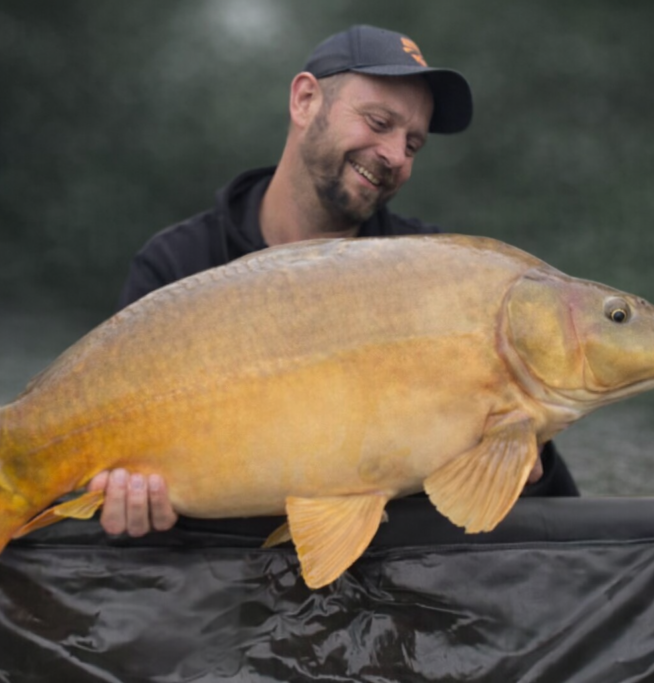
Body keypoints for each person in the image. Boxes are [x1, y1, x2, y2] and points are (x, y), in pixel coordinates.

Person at [89, 24, 579, 538]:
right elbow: (97, 461)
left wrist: (524, 471)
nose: (395, 155)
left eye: (413, 143)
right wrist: (119, 506)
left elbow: (556, 508)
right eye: (379, 121)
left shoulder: (443, 275)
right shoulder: (178, 263)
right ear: (304, 101)